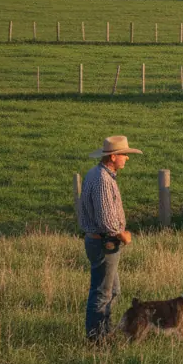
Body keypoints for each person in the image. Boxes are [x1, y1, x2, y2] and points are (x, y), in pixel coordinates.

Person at [78, 135, 141, 342]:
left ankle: (104, 333)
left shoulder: (97, 174)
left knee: (112, 290)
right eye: (124, 154)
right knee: (103, 292)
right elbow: (106, 220)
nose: (126, 158)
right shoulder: (103, 180)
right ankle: (97, 339)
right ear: (113, 157)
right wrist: (123, 235)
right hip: (104, 241)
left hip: (100, 240)